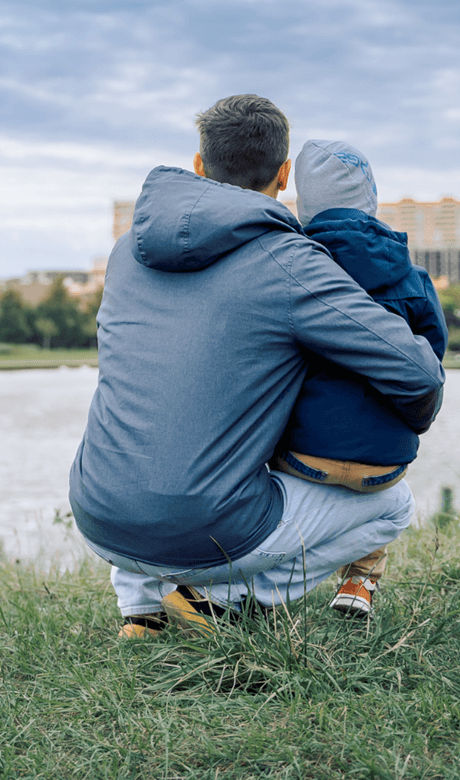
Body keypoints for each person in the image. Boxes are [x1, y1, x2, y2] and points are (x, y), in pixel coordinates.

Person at [68, 94, 445, 639]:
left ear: (199, 164)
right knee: (392, 505)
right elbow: (417, 373)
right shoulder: (288, 261)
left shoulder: (127, 252)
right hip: (205, 529)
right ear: (284, 174)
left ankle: (144, 608)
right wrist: (401, 420)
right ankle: (225, 602)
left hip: (98, 515)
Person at [270, 139, 447, 616]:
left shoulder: (293, 267)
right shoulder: (411, 277)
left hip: (302, 460)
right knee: (375, 486)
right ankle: (362, 580)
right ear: (370, 199)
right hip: (386, 466)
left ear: (305, 201)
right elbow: (430, 359)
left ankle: (260, 583)